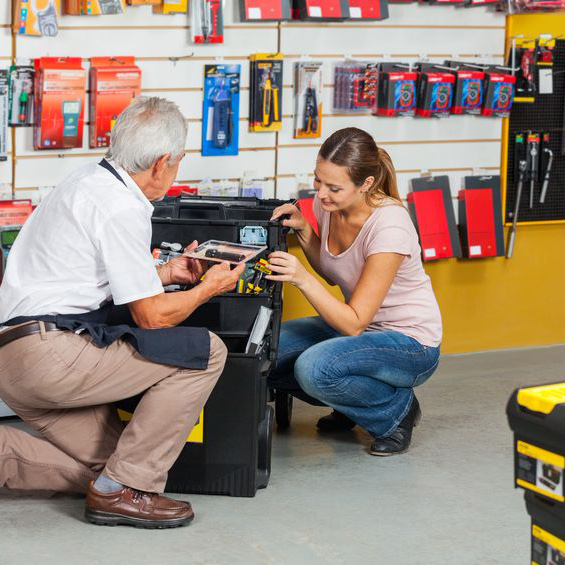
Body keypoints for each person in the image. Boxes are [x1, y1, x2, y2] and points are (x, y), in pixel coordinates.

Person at [0, 97, 244, 528]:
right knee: (205, 352)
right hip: (52, 357)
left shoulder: (84, 182)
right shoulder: (122, 207)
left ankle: (111, 486)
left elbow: (88, 279)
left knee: (117, 464)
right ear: (163, 162)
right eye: (179, 162)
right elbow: (152, 318)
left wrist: (167, 273)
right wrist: (209, 288)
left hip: (12, 362)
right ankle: (125, 492)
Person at [266, 127, 442, 456]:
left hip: (409, 343)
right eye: (318, 180)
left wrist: (301, 279)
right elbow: (332, 272)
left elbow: (354, 323)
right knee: (267, 353)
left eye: (334, 187)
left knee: (314, 369)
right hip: (360, 329)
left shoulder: (389, 226)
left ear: (366, 185)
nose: (321, 194)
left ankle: (395, 412)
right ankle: (352, 404)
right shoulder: (329, 206)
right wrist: (305, 231)